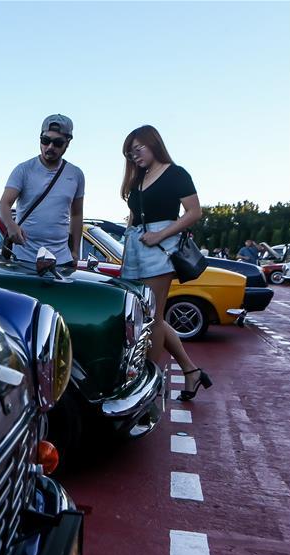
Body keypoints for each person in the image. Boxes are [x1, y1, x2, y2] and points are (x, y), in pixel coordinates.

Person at [120, 124, 211, 401]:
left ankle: (151, 380)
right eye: (130, 153)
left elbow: (194, 212)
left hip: (161, 248)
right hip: (136, 248)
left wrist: (161, 233)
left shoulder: (176, 173)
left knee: (152, 317)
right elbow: (133, 218)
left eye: (138, 149)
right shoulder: (139, 178)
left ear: (153, 143)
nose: (135, 156)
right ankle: (191, 371)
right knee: (149, 316)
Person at [0, 114, 85, 266]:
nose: (50, 147)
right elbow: (4, 204)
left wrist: (75, 251)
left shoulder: (76, 174)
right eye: (45, 141)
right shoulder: (23, 170)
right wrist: (11, 225)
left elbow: (76, 214)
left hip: (61, 259)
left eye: (57, 143)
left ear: (68, 143)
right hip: (24, 257)